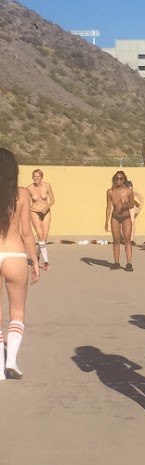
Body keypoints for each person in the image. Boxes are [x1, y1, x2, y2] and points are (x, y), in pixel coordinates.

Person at [0, 149, 40, 380]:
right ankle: (12, 360)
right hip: (15, 254)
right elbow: (26, 232)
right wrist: (35, 260)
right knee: (17, 311)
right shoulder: (22, 194)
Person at [105, 171, 135, 271]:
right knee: (116, 240)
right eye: (117, 178)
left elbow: (132, 204)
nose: (118, 180)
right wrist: (106, 221)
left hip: (126, 217)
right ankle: (116, 262)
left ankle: (129, 263)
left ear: (124, 180)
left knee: (127, 239)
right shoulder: (110, 192)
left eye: (121, 178)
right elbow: (108, 207)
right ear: (114, 179)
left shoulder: (128, 191)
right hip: (115, 217)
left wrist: (124, 206)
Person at [27, 169, 55, 271]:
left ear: (41, 177)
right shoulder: (29, 188)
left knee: (44, 238)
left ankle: (37, 256)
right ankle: (46, 261)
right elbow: (25, 201)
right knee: (40, 235)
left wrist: (45, 208)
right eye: (34, 176)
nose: (36, 178)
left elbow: (52, 200)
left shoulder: (47, 186)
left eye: (38, 176)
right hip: (34, 212)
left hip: (46, 212)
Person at [126, 181, 144, 245]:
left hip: (133, 207)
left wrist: (139, 208)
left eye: (131, 187)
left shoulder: (134, 191)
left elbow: (142, 200)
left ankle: (131, 239)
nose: (130, 189)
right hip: (126, 207)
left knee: (132, 222)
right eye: (128, 187)